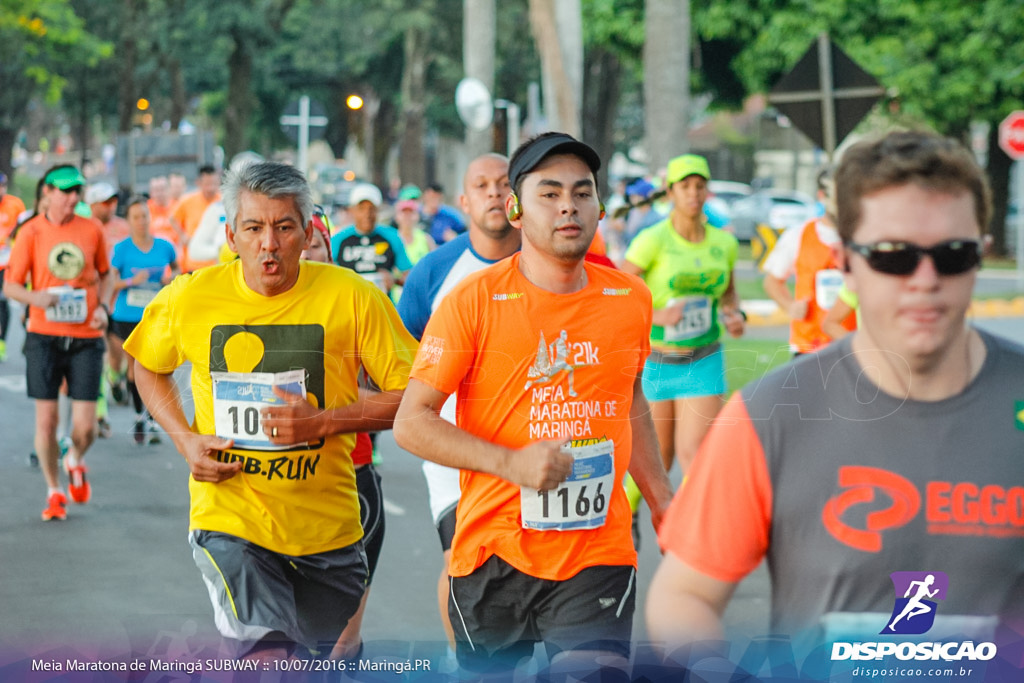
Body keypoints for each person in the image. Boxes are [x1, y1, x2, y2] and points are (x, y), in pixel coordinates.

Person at [647, 130, 1024, 653]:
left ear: (981, 254)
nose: (925, 279)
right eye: (894, 256)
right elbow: (683, 596)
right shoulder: (769, 415)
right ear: (845, 261)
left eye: (953, 254)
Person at [394, 133, 673, 676]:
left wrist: (661, 496)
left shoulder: (629, 299)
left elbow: (629, 393)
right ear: (517, 209)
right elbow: (411, 422)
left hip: (597, 549)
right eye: (549, 193)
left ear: (598, 205)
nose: (568, 204)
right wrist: (512, 464)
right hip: (494, 550)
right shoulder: (469, 303)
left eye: (582, 191)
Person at [125, 161, 418, 659]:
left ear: (306, 234)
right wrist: (185, 438)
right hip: (231, 520)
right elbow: (146, 366)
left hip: (328, 535)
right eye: (254, 228)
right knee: (269, 656)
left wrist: (324, 421)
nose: (269, 243)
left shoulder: (353, 297)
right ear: (231, 234)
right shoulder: (192, 297)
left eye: (284, 227)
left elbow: (415, 397)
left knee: (310, 660)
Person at [397, 152, 523, 655]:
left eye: (503, 183)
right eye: (481, 185)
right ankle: (460, 659)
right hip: (454, 453)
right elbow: (401, 357)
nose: (494, 192)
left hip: (534, 445)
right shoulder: (434, 274)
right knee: (462, 560)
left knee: (521, 570)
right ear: (464, 201)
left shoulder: (548, 265)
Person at [622, 154, 745, 482]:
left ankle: (693, 532)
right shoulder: (653, 240)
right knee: (658, 457)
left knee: (698, 454)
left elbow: (728, 295)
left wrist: (735, 315)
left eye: (700, 186)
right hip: (657, 361)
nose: (693, 193)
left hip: (703, 359)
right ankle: (632, 518)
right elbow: (618, 291)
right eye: (685, 186)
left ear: (708, 192)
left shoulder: (724, 243)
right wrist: (658, 315)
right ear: (670, 191)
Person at [3, 165, 112, 521]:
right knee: (47, 422)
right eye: (65, 191)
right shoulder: (31, 231)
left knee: (86, 428)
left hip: (85, 337)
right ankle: (54, 491)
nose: (73, 198)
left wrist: (104, 310)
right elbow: (11, 285)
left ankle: (76, 459)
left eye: (77, 191)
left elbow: (106, 275)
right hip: (44, 336)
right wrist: (40, 300)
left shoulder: (92, 229)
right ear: (47, 192)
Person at [300, 209, 385, 660]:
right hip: (275, 485)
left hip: (352, 474)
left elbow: (401, 393)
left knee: (341, 641)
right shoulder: (252, 307)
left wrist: (331, 415)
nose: (306, 252)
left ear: (330, 252)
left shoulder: (358, 301)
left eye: (316, 244)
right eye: (301, 242)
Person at [108, 196, 180, 444]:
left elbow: (179, 271)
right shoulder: (121, 249)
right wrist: (131, 282)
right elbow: (110, 283)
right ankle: (141, 416)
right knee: (136, 368)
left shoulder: (164, 246)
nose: (141, 221)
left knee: (156, 367)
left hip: (157, 314)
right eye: (136, 217)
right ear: (128, 221)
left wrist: (169, 280)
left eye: (144, 216)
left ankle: (150, 417)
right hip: (128, 316)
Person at [761, 167, 856, 354]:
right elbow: (772, 281)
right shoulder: (799, 235)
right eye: (837, 196)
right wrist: (790, 306)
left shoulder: (862, 237)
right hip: (808, 346)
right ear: (822, 196)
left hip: (852, 346)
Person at [330, 183, 412, 297]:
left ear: (378, 210)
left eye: (371, 209)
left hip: (382, 305)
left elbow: (410, 276)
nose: (367, 214)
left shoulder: (392, 236)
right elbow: (327, 274)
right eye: (361, 208)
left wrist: (394, 280)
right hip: (348, 306)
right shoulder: (339, 239)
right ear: (352, 210)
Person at [172, 164, 221, 272]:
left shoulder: (223, 202)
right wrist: (182, 236)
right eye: (207, 184)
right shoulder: (187, 201)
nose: (211, 188)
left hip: (217, 262)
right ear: (198, 183)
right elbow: (173, 218)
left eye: (214, 183)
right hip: (194, 263)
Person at [0, 171, 27, 362]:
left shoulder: (15, 204)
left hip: (7, 264)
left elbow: (25, 230)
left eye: (2, 186)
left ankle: (1, 341)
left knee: (3, 304)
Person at [147, 175, 186, 254]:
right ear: (151, 192)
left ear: (169, 190)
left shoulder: (179, 208)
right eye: (156, 190)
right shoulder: (145, 210)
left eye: (162, 189)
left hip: (176, 254)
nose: (159, 194)